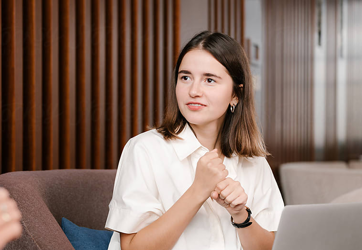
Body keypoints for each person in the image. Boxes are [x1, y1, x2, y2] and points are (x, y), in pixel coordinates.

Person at [105, 31, 284, 250]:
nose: (194, 91)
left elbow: (273, 247)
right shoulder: (144, 150)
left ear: (235, 95)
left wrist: (240, 215)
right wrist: (198, 191)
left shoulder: (253, 161)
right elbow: (132, 247)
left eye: (209, 80)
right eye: (185, 77)